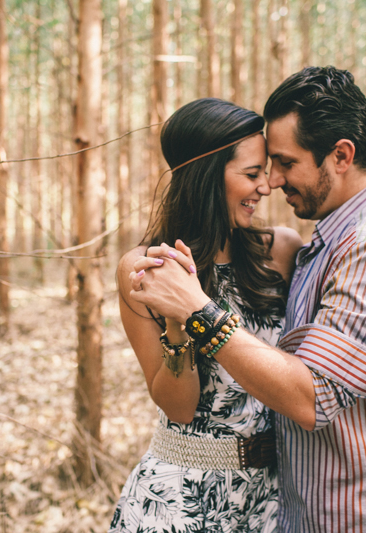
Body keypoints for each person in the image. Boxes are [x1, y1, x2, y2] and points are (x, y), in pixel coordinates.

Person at [129, 66, 366, 532]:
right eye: (260, 168)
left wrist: (198, 313)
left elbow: (312, 395)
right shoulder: (328, 242)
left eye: (283, 163)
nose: (272, 182)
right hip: (281, 502)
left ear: (340, 156)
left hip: (365, 510)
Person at [109, 98, 303, 533]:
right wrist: (178, 323)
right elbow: (177, 407)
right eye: (251, 174)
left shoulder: (282, 251)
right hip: (180, 499)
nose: (266, 186)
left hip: (275, 499)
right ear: (208, 178)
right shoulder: (146, 268)